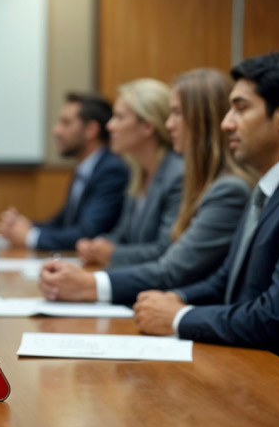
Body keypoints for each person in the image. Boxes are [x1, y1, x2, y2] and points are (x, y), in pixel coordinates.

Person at [134, 52, 279, 370]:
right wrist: (177, 298)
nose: (226, 123)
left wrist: (180, 318)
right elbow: (227, 280)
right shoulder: (269, 185)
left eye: (241, 108)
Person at [41, 69, 254, 303]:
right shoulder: (142, 172)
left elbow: (171, 264)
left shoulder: (215, 185)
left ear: (200, 121)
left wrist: (93, 282)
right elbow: (126, 236)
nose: (168, 124)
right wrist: (100, 248)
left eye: (176, 114)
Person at [0, 93, 129, 250]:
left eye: (66, 123)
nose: (56, 131)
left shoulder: (111, 170)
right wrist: (23, 226)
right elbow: (62, 223)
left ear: (91, 130)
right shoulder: (85, 168)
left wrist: (31, 237)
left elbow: (88, 233)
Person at [75, 78, 183, 268]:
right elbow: (123, 235)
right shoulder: (138, 172)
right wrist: (98, 245)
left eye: (119, 117)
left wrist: (111, 253)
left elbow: (165, 250)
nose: (110, 126)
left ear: (147, 127)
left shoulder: (177, 176)